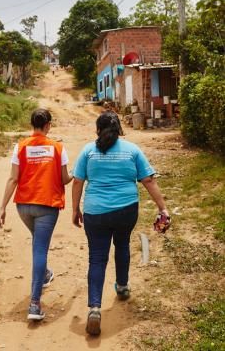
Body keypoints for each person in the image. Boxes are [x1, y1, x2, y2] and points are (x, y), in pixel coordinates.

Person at [72, 111, 170, 336]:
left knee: (97, 258)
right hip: (126, 209)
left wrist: (75, 209)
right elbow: (148, 180)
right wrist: (162, 208)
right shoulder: (132, 150)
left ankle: (95, 308)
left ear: (98, 130)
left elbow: (77, 182)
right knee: (122, 245)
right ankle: (123, 286)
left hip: (95, 212)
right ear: (119, 130)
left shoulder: (88, 151)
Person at [0, 108, 73, 321]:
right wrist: (78, 173)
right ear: (48, 125)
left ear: (32, 125)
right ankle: (34, 305)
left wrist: (2, 207)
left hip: (23, 208)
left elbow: (13, 179)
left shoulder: (20, 146)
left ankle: (46, 274)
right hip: (47, 207)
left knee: (38, 243)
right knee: (40, 249)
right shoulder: (57, 148)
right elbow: (65, 179)